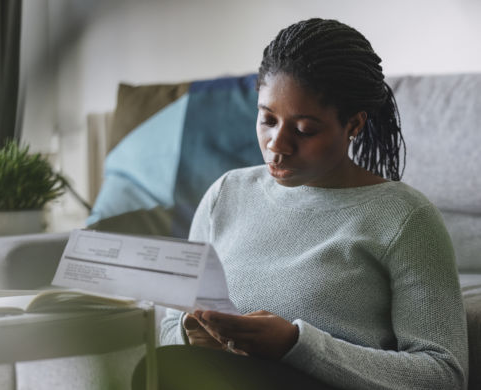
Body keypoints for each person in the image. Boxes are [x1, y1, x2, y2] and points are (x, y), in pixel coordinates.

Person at [133, 18, 468, 389]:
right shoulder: (226, 194)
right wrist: (189, 332)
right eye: (267, 120)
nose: (277, 144)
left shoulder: (406, 219)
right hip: (214, 376)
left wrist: (295, 346)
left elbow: (444, 375)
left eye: (304, 129)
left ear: (354, 125)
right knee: (157, 366)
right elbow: (169, 323)